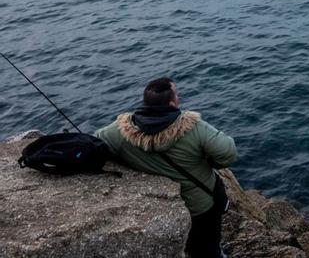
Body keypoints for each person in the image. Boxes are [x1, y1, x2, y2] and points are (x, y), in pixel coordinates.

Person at [96, 77, 237, 258]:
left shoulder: (120, 130)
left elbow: (96, 143)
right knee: (208, 246)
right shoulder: (193, 127)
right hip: (199, 204)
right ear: (172, 102)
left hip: (157, 206)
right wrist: (211, 162)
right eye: (177, 94)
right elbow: (228, 153)